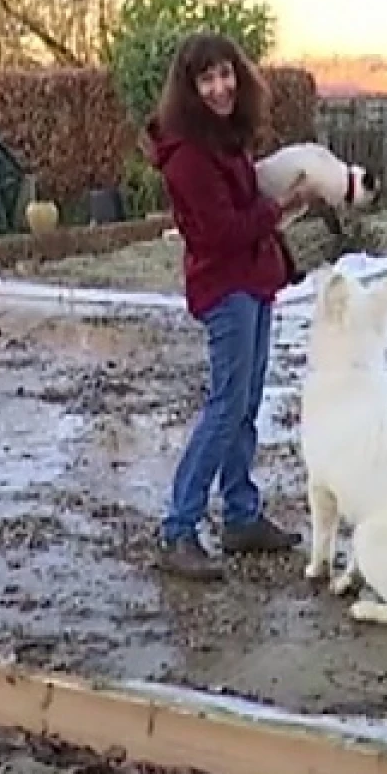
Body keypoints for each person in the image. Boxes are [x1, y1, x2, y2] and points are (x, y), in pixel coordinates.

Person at [144, 31, 322, 580]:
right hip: (226, 289)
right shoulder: (190, 156)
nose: (220, 87)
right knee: (225, 406)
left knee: (246, 402)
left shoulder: (225, 138)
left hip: (254, 280)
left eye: (225, 74)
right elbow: (221, 232)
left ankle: (241, 515)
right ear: (190, 88)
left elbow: (243, 210)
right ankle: (179, 528)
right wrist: (283, 207)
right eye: (207, 79)